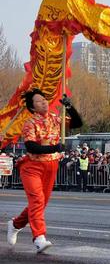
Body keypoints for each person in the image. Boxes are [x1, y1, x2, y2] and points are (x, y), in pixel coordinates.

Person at [6, 90, 82, 252]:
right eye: (39, 101)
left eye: (45, 99)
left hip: (51, 166)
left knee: (40, 204)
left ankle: (15, 224)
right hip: (32, 167)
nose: (44, 102)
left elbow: (77, 123)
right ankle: (39, 237)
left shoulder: (56, 119)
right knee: (37, 200)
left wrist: (69, 107)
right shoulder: (30, 123)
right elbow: (31, 146)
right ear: (33, 108)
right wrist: (55, 147)